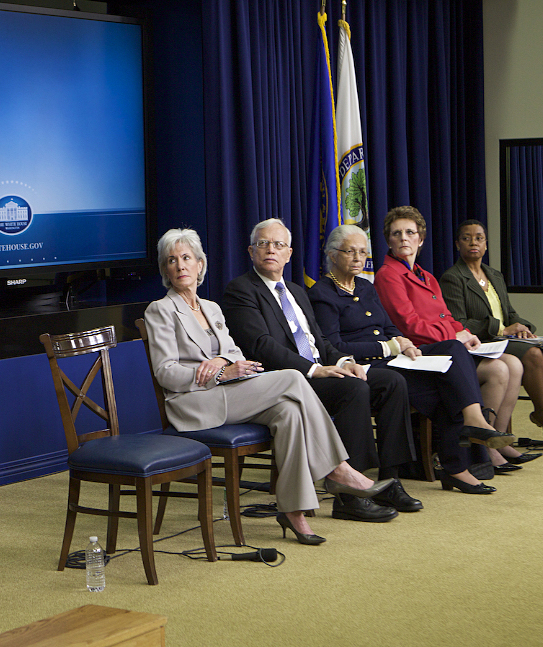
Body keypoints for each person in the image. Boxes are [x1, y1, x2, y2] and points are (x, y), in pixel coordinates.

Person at [143, 228, 395, 545]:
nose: (180, 265)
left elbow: (233, 353)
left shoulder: (211, 308)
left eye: (186, 258)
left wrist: (222, 361)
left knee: (288, 412)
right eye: (171, 260)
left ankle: (293, 511)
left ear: (200, 265)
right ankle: (338, 469)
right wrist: (219, 374)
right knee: (292, 377)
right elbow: (166, 373)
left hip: (230, 393)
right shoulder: (160, 310)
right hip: (193, 403)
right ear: (165, 269)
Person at [222, 219, 418, 521]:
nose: (270, 250)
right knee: (353, 389)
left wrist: (342, 362)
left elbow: (321, 341)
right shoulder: (241, 290)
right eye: (263, 244)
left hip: (319, 369)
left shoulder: (298, 292)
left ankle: (390, 480)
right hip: (287, 381)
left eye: (278, 245)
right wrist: (315, 371)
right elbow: (261, 346)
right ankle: (349, 495)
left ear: (289, 253)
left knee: (391, 381)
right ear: (251, 251)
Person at [309, 225, 525, 494]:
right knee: (444, 388)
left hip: (395, 359)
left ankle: (468, 434)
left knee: (453, 352)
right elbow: (334, 346)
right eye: (350, 252)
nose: (358, 258)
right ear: (332, 255)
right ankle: (452, 465)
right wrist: (388, 346)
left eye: (363, 252)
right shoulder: (323, 292)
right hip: (366, 366)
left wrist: (405, 343)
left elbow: (389, 327)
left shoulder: (365, 286)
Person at [374, 206, 531, 467]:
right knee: (499, 371)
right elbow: (409, 325)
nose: (403, 238)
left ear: (420, 239)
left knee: (513, 364)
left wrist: (466, 333)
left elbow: (447, 316)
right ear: (388, 240)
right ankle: (483, 445)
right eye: (396, 233)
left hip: (448, 348)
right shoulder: (388, 275)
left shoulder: (426, 276)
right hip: (422, 354)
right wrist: (454, 335)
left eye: (410, 232)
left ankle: (497, 440)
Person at [440, 219, 543, 450]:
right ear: (458, 245)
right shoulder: (453, 277)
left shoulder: (494, 275)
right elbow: (459, 323)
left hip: (505, 338)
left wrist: (524, 328)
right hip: (483, 342)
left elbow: (509, 313)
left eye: (479, 238)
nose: (473, 243)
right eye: (466, 238)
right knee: (535, 356)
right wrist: (502, 329)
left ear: (486, 244)